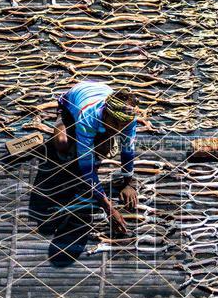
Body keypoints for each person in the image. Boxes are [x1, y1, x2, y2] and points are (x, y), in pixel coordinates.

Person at [28, 81, 138, 265]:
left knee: (100, 147)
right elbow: (86, 169)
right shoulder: (87, 116)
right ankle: (62, 126)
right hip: (72, 105)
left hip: (99, 101)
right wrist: (108, 207)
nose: (119, 128)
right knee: (62, 144)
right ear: (105, 113)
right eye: (115, 124)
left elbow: (128, 150)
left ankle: (96, 137)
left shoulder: (128, 119)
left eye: (122, 126)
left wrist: (128, 182)